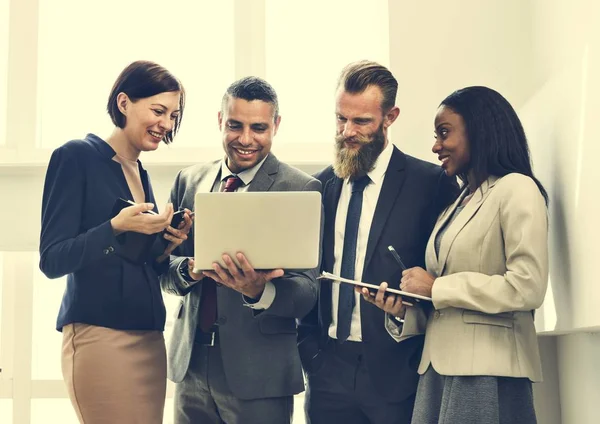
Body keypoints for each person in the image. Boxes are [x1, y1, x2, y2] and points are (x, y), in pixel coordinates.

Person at [365, 86, 549, 423]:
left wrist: (435, 288)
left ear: (480, 130)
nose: (436, 146)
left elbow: (528, 286)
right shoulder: (458, 201)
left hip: (486, 373)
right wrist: (403, 310)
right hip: (439, 372)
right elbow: (447, 306)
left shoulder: (516, 189)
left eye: (444, 133)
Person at [298, 60, 458, 424]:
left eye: (361, 122)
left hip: (399, 373)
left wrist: (405, 311)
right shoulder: (317, 186)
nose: (346, 131)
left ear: (390, 117)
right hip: (326, 371)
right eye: (340, 118)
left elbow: (448, 277)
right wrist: (311, 353)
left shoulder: (431, 184)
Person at [159, 76, 321, 424]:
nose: (245, 139)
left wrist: (259, 290)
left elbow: (307, 293)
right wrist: (189, 269)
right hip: (191, 365)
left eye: (258, 127)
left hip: (259, 373)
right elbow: (163, 272)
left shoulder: (301, 188)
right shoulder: (189, 181)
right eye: (235, 125)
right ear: (220, 121)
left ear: (276, 126)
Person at [39, 60, 190, 423]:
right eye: (158, 110)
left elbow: (137, 263)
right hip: (100, 336)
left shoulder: (141, 172)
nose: (166, 124)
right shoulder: (76, 157)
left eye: (173, 115)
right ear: (124, 103)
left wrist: (166, 243)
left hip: (149, 336)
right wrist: (115, 228)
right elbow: (52, 259)